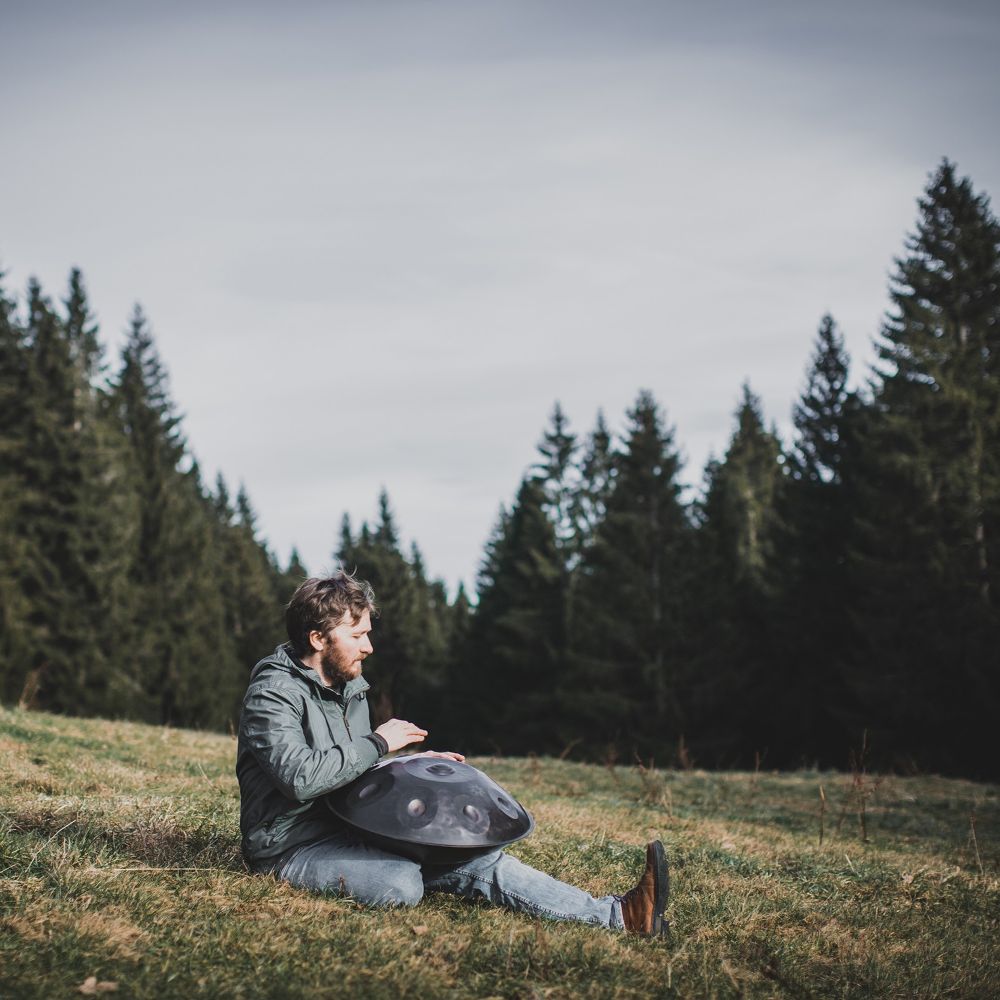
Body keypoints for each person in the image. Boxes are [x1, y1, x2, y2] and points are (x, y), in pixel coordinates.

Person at [236, 570, 669, 935]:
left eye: (368, 633)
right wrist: (380, 742)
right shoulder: (273, 693)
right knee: (404, 883)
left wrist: (412, 765)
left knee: (478, 856)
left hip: (347, 825)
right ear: (317, 638)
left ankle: (620, 916)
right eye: (357, 635)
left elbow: (350, 768)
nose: (369, 646)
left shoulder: (349, 686)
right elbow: (301, 778)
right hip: (290, 846)